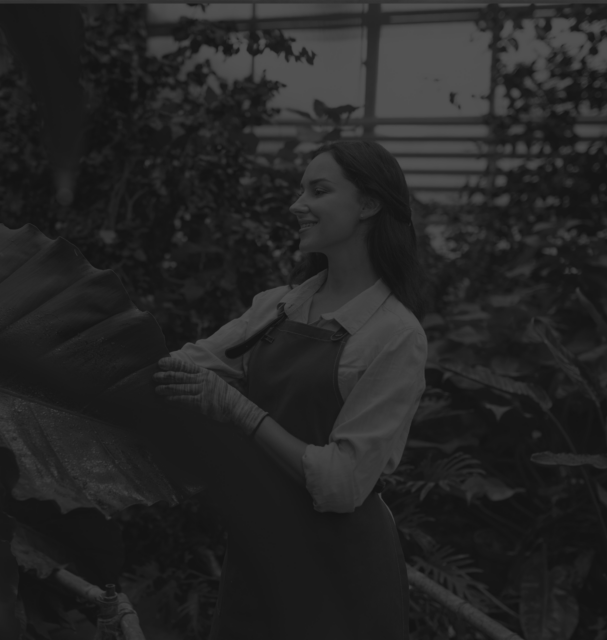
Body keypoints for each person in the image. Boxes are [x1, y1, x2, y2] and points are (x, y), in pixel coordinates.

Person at [152, 140, 428, 639]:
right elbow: (182, 369)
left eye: (317, 191)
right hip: (260, 548)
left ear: (368, 205)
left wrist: (241, 411)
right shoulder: (278, 306)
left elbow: (343, 485)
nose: (296, 205)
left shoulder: (394, 335)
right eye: (300, 190)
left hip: (341, 563)